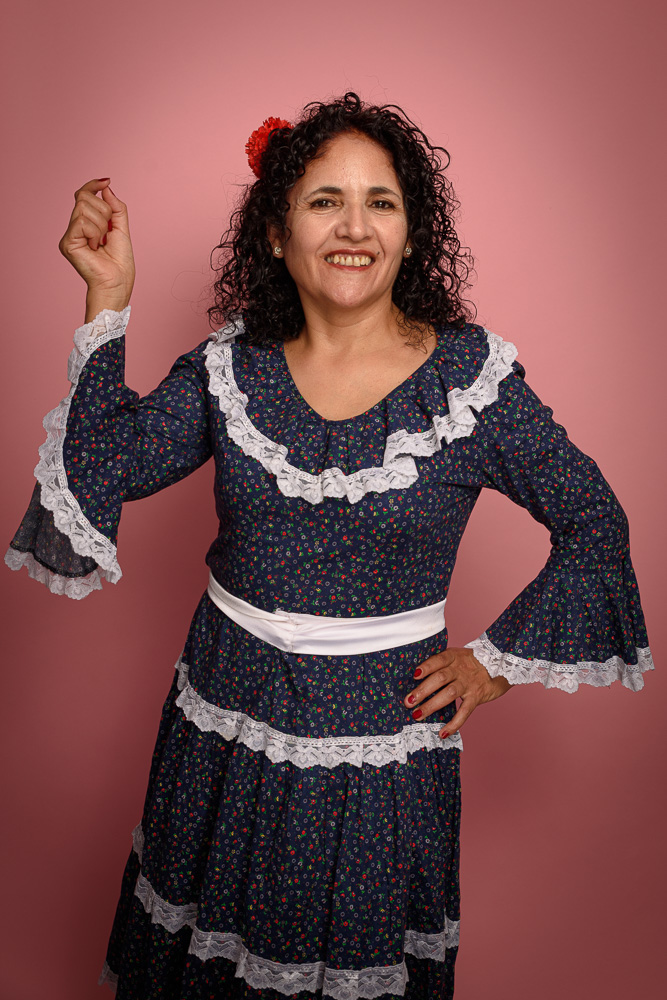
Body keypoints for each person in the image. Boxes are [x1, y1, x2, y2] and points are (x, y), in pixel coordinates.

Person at [5, 93, 653, 1000]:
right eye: (323, 201)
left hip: (376, 748)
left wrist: (493, 664)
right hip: (220, 725)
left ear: (411, 234)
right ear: (275, 234)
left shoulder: (471, 383)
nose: (354, 227)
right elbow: (101, 469)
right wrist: (108, 297)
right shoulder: (230, 367)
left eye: (380, 202)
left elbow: (595, 525)